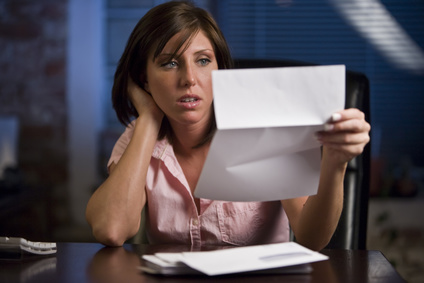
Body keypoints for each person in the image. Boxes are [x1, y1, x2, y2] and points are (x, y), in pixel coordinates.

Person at [85, 1, 371, 250]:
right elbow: (111, 229)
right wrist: (147, 120)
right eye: (170, 63)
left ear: (220, 69)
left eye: (203, 60)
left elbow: (311, 238)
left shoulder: (264, 124)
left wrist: (335, 162)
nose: (189, 79)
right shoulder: (138, 139)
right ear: (143, 78)